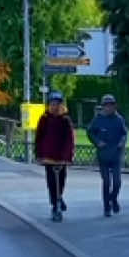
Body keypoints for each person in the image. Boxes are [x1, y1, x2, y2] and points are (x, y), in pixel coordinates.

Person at [35, 92, 75, 222]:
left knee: (61, 180)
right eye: (52, 104)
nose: (54, 106)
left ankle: (59, 197)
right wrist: (39, 154)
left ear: (61, 105)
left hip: (62, 156)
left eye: (57, 104)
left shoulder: (65, 120)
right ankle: (55, 204)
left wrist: (68, 156)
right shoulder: (44, 119)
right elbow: (39, 137)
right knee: (51, 182)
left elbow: (70, 139)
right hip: (48, 156)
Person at [87, 93, 128, 217]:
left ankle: (113, 199)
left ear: (115, 106)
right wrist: (97, 142)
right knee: (106, 182)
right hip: (103, 155)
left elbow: (124, 133)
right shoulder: (98, 119)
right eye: (106, 106)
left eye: (111, 105)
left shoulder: (119, 119)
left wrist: (122, 142)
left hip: (116, 155)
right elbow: (90, 132)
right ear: (103, 107)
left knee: (117, 182)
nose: (109, 108)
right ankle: (106, 207)